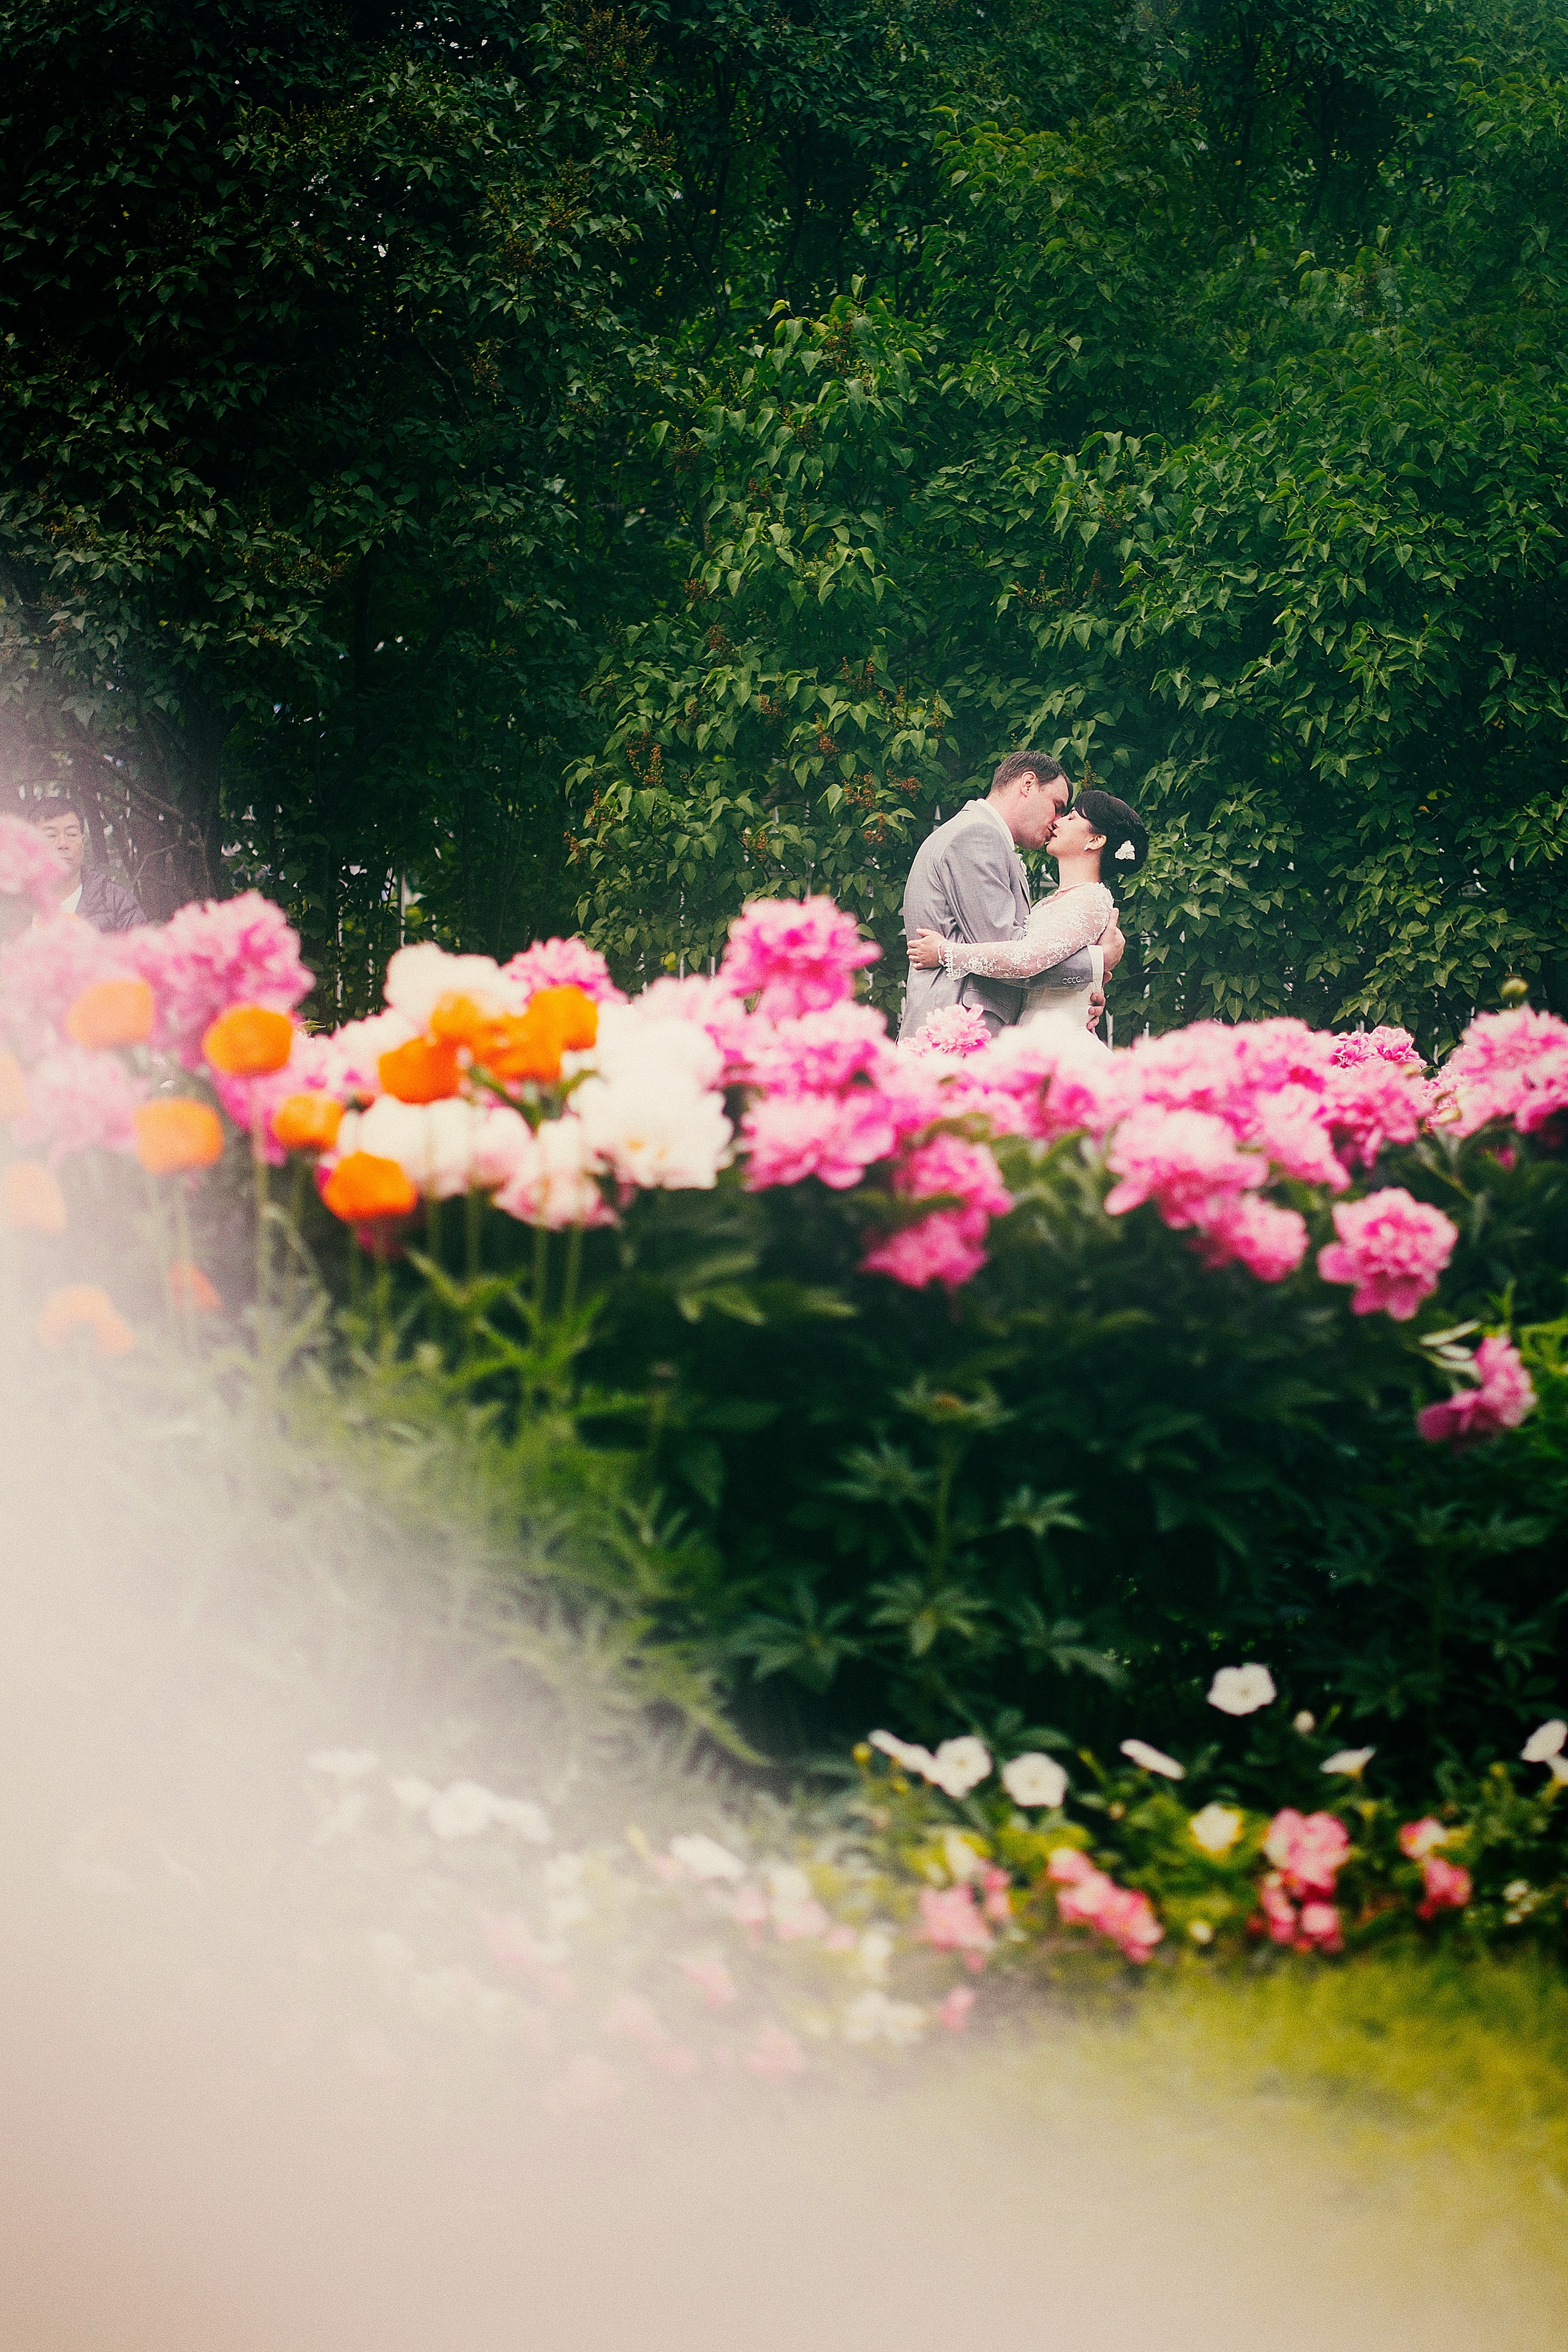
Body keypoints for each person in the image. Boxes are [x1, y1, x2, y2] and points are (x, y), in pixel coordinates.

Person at [908, 787, 1146, 1052]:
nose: (1058, 821)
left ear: (1095, 841)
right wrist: (1093, 971)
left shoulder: (1091, 899)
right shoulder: (1051, 902)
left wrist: (946, 953)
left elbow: (1028, 959)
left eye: (1072, 817)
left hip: (1058, 1041)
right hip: (1031, 1034)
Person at [899, 752, 1107, 1042]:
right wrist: (1099, 961)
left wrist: (1077, 998)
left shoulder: (978, 834)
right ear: (1028, 784)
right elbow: (1009, 954)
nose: (1057, 821)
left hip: (966, 1030)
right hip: (958, 1034)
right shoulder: (976, 835)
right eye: (1057, 807)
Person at [28, 797, 146, 931]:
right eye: (51, 835)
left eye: (72, 835)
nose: (63, 844)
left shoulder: (116, 900)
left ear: (82, 842)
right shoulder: (11, 903)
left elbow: (144, 949)